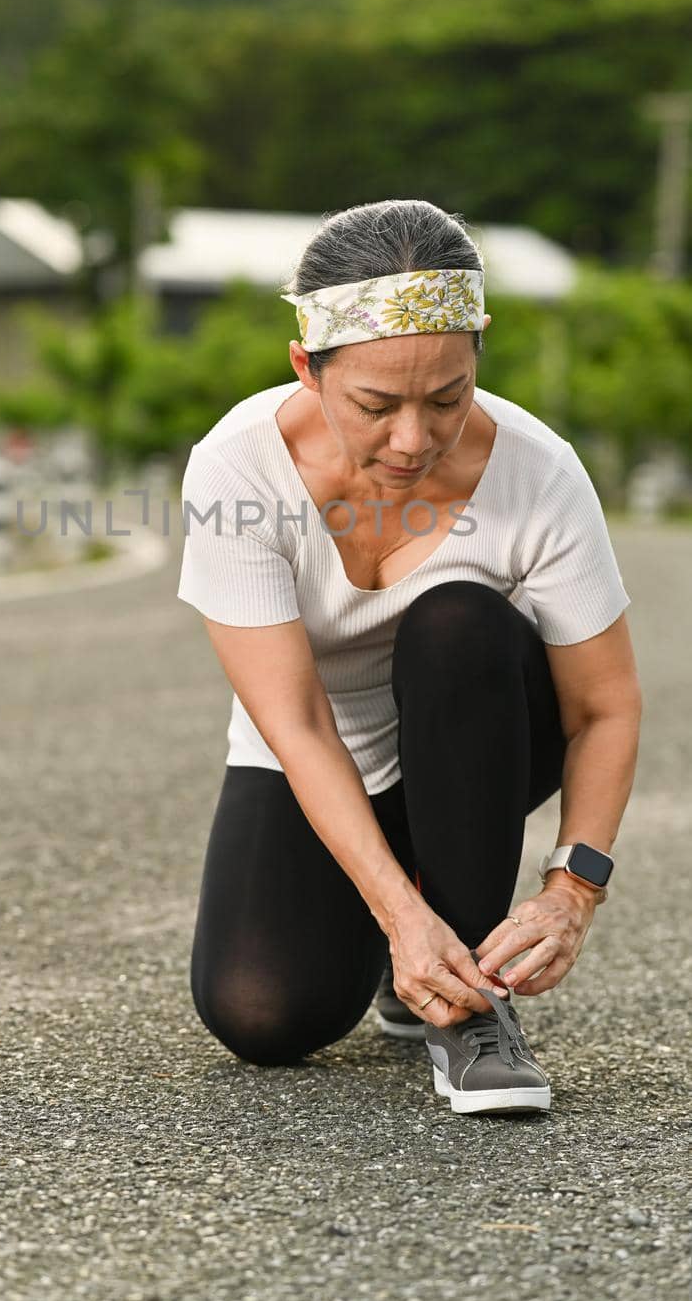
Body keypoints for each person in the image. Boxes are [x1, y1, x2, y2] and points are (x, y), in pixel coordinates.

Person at [176, 199, 642, 1115]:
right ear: (306, 367)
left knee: (458, 621)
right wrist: (398, 917)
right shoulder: (236, 469)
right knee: (263, 1016)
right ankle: (414, 941)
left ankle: (469, 1006)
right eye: (376, 405)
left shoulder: (538, 472)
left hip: (477, 735)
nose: (413, 440)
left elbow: (603, 707)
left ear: (476, 361)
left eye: (447, 398)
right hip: (322, 752)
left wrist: (570, 891)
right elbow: (297, 725)